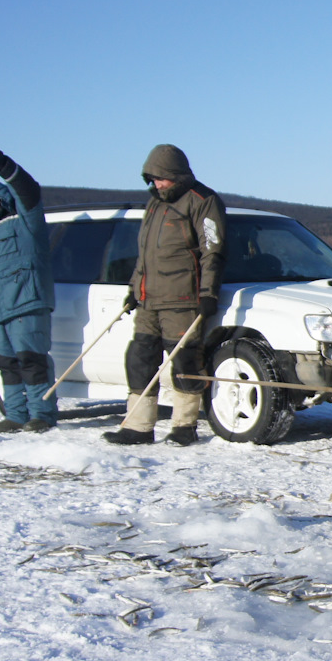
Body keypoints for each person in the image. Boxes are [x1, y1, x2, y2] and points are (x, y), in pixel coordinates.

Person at [104, 144, 226, 446]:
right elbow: (144, 254)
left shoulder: (202, 200)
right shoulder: (154, 204)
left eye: (161, 179)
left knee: (185, 362)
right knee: (139, 359)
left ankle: (184, 426)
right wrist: (135, 289)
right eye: (152, 180)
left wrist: (208, 292)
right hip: (149, 300)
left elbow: (213, 250)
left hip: (182, 301)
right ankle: (138, 426)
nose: (157, 185)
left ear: (177, 175)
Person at [0, 144, 57, 433]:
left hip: (28, 304)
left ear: (2, 198)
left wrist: (5, 165)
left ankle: (42, 414)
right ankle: (16, 415)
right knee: (5, 363)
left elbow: (29, 190)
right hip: (2, 312)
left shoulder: (26, 222)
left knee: (32, 361)